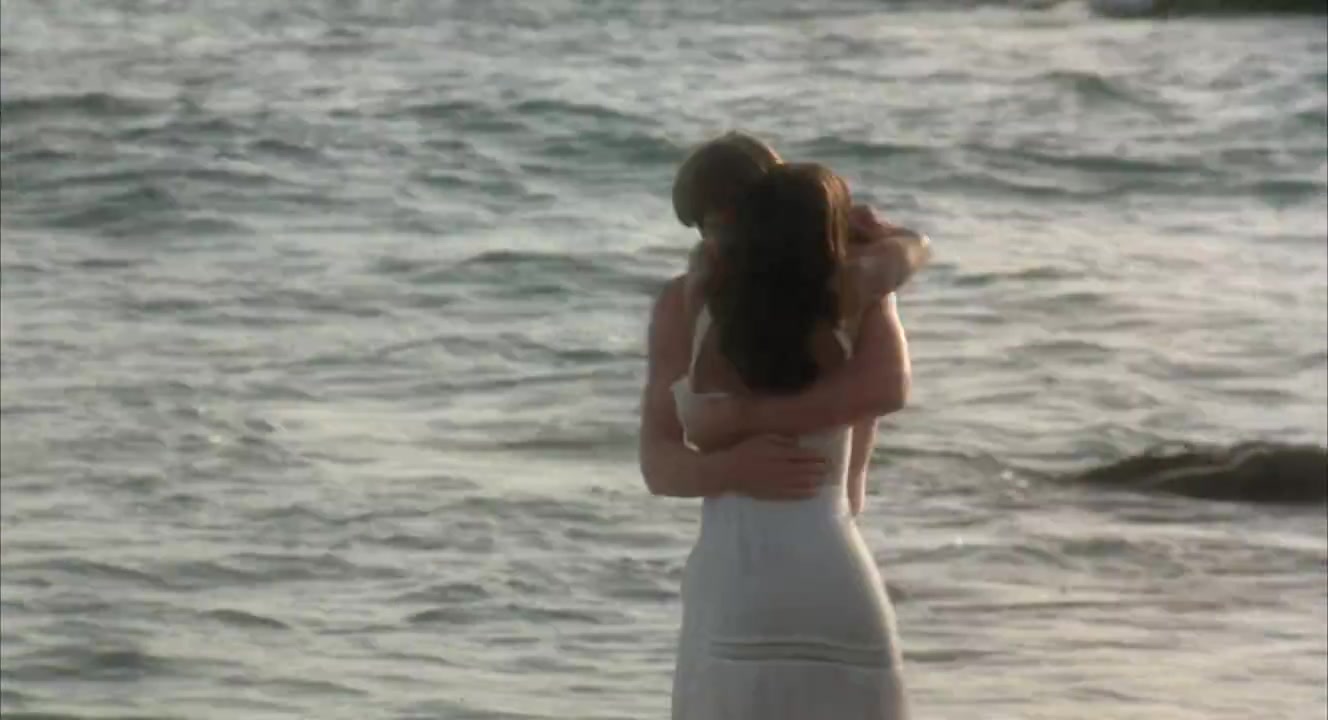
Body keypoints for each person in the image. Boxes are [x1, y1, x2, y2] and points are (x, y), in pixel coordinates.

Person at [669, 163, 910, 718]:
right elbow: (892, 387)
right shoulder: (856, 304)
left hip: (737, 583)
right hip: (832, 569)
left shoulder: (708, 312)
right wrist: (883, 237)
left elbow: (695, 428)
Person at [639, 131, 926, 504]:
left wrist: (741, 418)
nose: (720, 244)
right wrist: (727, 470)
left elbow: (884, 390)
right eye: (709, 228)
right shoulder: (683, 300)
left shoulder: (850, 284)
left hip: (828, 521)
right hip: (732, 531)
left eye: (734, 223)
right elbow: (657, 461)